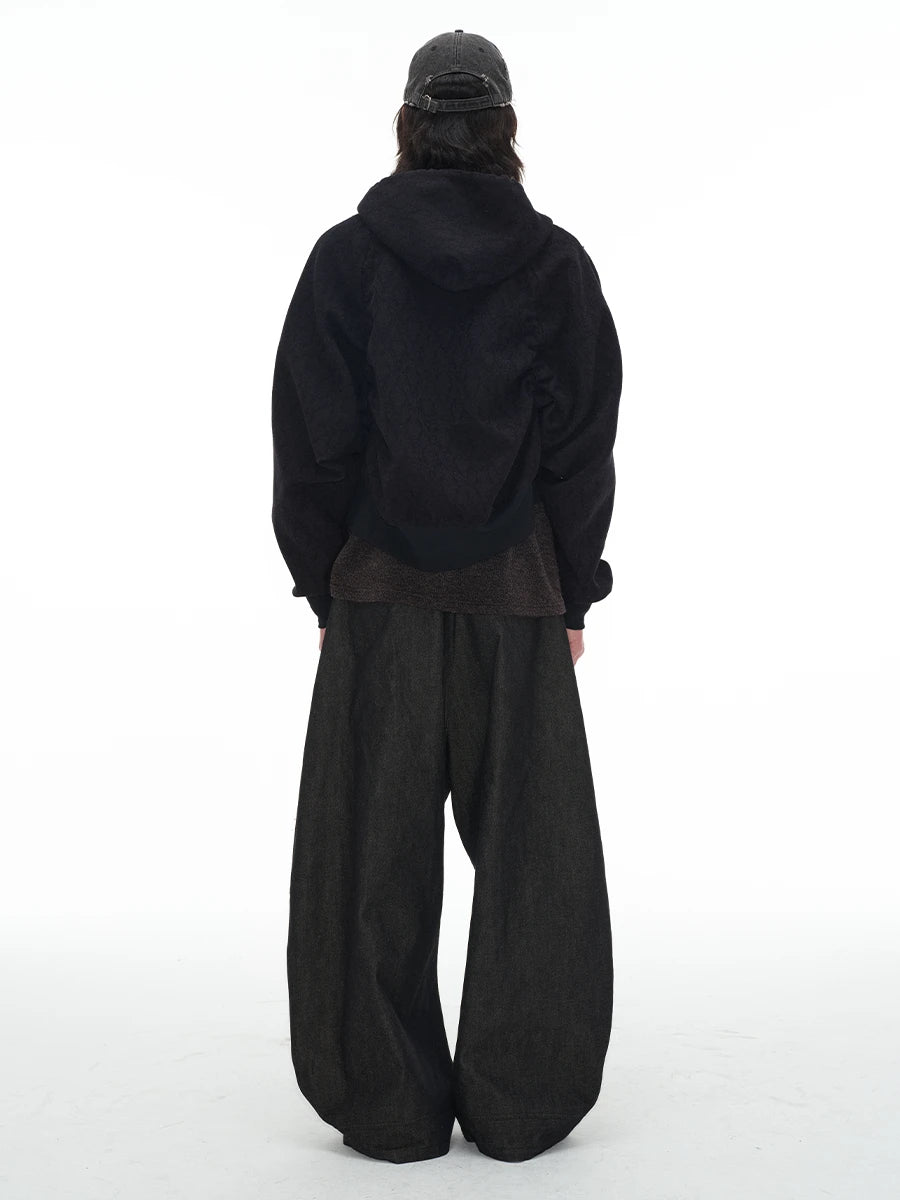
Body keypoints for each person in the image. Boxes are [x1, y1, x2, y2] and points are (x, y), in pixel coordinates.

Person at [271, 29, 623, 1165]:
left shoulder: (346, 260)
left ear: (409, 125)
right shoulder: (555, 266)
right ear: (505, 128)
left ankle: (386, 1107)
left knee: (366, 857)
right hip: (516, 595)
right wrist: (573, 594)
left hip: (378, 592)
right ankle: (523, 1106)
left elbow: (310, 444)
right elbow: (581, 449)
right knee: (536, 859)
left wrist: (324, 583)